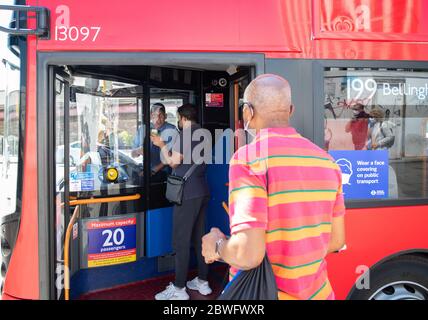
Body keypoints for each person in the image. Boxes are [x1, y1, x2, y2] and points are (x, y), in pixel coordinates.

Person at [202, 74, 346, 300]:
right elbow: (337, 240)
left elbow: (248, 254)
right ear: (290, 111)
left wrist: (216, 244)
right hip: (320, 293)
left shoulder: (249, 159)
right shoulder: (327, 161)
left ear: (247, 112)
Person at [151, 103, 211, 300]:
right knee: (199, 237)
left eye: (178, 117)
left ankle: (178, 289)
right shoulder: (204, 133)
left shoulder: (185, 134)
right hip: (202, 191)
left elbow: (174, 162)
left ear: (183, 118)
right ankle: (202, 282)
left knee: (181, 241)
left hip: (187, 194)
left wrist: (161, 145)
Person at [132, 103, 178, 180]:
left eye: (161, 115)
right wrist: (137, 151)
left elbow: (171, 157)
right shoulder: (143, 128)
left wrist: (153, 171)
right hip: (146, 172)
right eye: (154, 115)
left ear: (165, 116)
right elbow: (132, 154)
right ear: (150, 116)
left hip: (164, 173)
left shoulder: (172, 130)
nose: (158, 119)